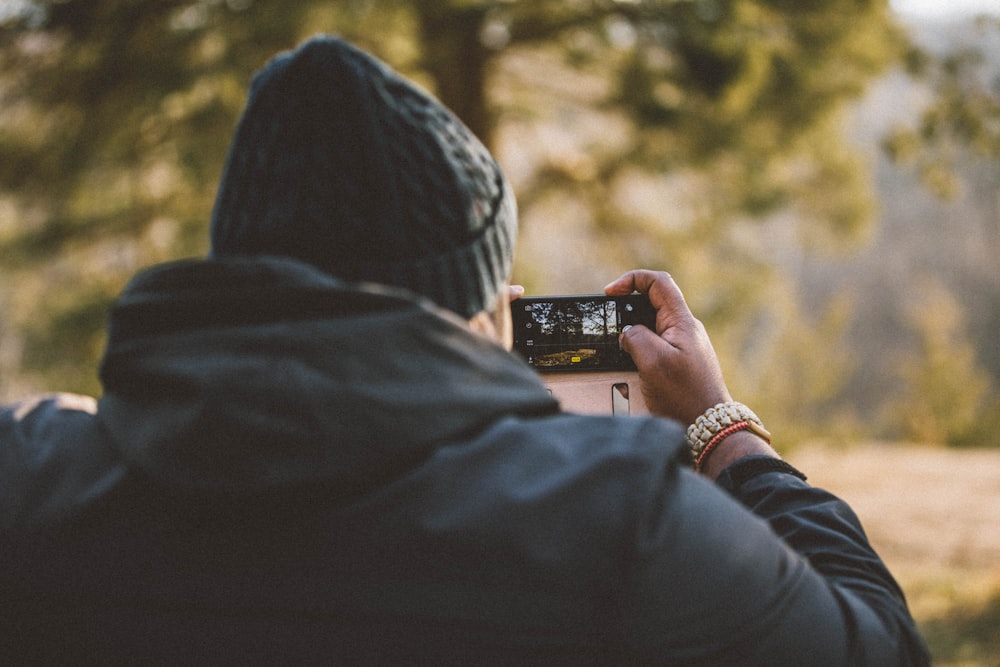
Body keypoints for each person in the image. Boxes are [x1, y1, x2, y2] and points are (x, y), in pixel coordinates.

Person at [0, 35, 929, 665]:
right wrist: (721, 428)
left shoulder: (30, 482)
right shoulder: (621, 524)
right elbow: (879, 643)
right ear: (478, 303)